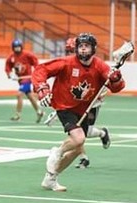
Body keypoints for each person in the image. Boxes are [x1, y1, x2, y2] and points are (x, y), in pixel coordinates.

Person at [32, 32, 125, 191]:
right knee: (79, 138)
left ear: (93, 48)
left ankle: (50, 178)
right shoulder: (67, 62)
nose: (83, 50)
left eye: (86, 46)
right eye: (80, 46)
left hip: (83, 109)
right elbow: (41, 70)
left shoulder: (100, 66)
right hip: (65, 107)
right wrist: (42, 89)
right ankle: (57, 152)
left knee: (76, 150)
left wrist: (116, 79)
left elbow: (116, 87)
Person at [44, 37, 111, 169]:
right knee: (76, 134)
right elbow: (66, 93)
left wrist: (103, 90)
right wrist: (58, 110)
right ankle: (83, 157)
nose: (70, 55)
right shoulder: (67, 64)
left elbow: (106, 82)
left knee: (84, 133)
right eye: (69, 51)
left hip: (92, 103)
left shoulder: (96, 65)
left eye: (70, 51)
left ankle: (102, 133)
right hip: (74, 104)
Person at [5, 39, 44, 123]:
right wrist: (10, 74)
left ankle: (18, 115)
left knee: (19, 95)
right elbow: (7, 67)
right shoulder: (11, 57)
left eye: (18, 47)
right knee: (30, 96)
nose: (17, 49)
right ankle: (39, 111)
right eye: (15, 47)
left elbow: (35, 62)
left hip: (28, 78)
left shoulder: (27, 54)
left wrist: (36, 71)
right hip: (21, 80)